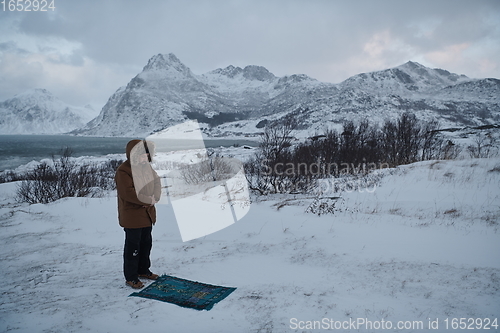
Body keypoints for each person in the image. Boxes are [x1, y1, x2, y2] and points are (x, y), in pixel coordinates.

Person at [115, 139, 162, 289]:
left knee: (146, 245)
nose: (145, 158)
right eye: (142, 155)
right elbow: (127, 193)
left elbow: (157, 183)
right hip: (132, 216)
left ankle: (143, 270)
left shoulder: (148, 168)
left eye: (147, 155)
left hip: (147, 215)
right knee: (133, 248)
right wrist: (147, 199)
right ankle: (131, 277)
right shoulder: (124, 171)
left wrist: (155, 197)